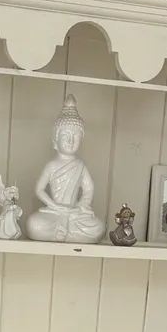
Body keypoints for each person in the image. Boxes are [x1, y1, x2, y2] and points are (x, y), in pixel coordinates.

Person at [25, 95, 106, 243]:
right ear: (55, 140)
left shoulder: (80, 166)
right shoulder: (52, 165)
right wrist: (55, 206)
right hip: (54, 212)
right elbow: (39, 190)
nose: (70, 140)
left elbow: (88, 190)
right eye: (66, 135)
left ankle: (65, 230)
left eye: (76, 136)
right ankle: (63, 230)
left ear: (82, 139)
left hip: (75, 214)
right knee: (34, 224)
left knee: (98, 227)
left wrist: (79, 206)